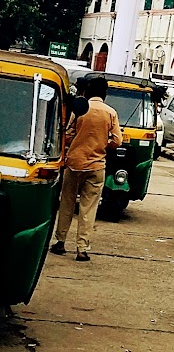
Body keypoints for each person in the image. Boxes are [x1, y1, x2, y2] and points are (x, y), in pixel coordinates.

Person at [50, 75, 122, 261]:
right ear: (105, 93)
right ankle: (82, 249)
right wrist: (103, 145)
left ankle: (60, 242)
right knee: (88, 208)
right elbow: (117, 140)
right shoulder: (110, 112)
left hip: (74, 163)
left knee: (67, 202)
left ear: (87, 91)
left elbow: (67, 133)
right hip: (97, 165)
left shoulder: (80, 109)